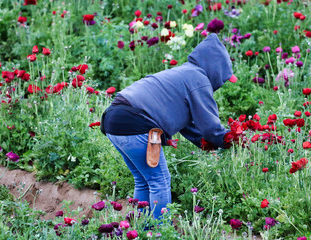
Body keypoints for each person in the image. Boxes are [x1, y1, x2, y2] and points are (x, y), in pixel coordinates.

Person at [101, 33, 237, 220]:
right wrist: (229, 140)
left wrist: (205, 143)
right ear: (216, 69)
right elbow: (209, 126)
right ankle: (158, 231)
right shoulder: (199, 80)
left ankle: (140, 229)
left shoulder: (184, 73)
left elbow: (184, 123)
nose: (221, 83)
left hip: (113, 119)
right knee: (159, 181)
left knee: (143, 180)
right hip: (138, 123)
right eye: (223, 78)